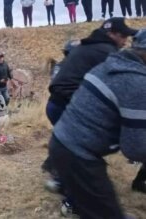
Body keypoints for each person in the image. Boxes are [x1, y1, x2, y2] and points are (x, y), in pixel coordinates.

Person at [49, 28, 146, 219]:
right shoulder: (136, 82)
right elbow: (134, 149)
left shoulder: (112, 64)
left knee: (101, 207)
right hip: (77, 154)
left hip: (64, 142)